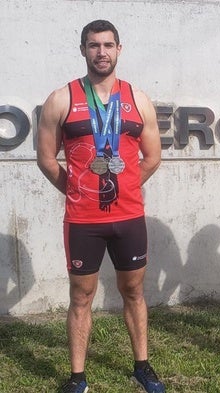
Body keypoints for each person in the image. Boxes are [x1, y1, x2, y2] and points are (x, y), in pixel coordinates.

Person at [37, 20, 165, 393]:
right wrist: (77, 189)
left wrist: (125, 185)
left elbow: (152, 156)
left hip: (129, 217)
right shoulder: (61, 98)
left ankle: (142, 366)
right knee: (81, 296)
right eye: (94, 45)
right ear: (83, 50)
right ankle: (78, 378)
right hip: (83, 220)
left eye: (108, 45)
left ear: (119, 50)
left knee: (134, 292)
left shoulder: (137, 99)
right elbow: (46, 158)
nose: (101, 52)